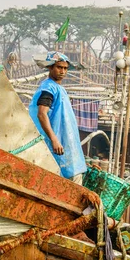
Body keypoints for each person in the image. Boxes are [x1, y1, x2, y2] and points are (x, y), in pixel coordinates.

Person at [29, 51, 86, 184]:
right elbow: (42, 114)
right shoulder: (48, 87)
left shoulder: (58, 88)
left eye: (65, 68)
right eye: (59, 67)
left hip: (66, 143)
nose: (62, 71)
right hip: (56, 144)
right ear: (50, 67)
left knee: (73, 177)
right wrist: (54, 139)